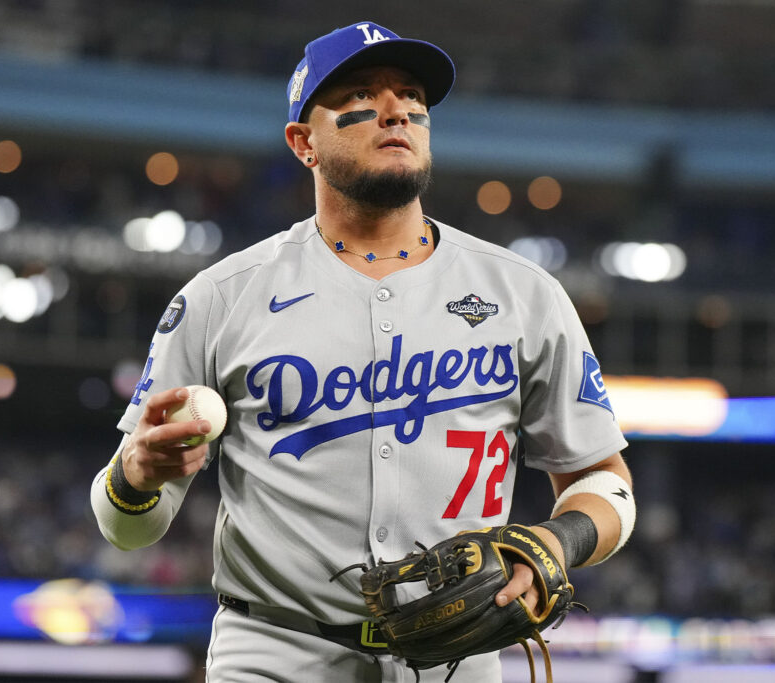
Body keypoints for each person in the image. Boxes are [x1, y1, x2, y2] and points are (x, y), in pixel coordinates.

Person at [91, 20, 635, 682]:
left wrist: (557, 539)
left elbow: (604, 482)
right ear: (303, 142)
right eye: (361, 93)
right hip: (273, 651)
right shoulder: (220, 298)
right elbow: (127, 528)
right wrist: (137, 475)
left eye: (411, 96)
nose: (396, 109)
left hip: (457, 660)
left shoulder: (524, 293)